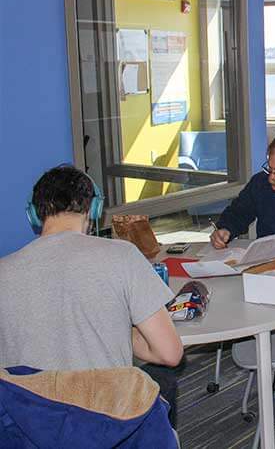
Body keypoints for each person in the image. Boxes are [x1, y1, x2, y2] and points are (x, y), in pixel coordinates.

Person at [0, 165, 184, 426]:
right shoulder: (123, 256)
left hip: (29, 426)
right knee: (161, 380)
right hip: (107, 424)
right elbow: (170, 353)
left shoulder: (3, 271)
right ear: (95, 210)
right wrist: (120, 329)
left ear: (33, 214)